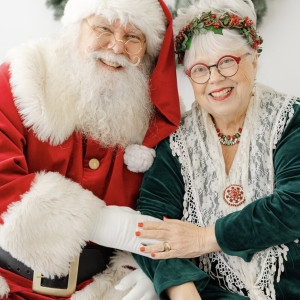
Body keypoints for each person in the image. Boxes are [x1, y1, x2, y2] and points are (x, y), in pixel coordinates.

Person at [0, 0, 181, 299]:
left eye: (133, 37)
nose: (116, 46)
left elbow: (172, 208)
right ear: (77, 27)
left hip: (103, 289)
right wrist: (103, 223)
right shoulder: (22, 77)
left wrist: (152, 268)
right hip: (9, 282)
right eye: (104, 28)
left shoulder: (157, 117)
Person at [133, 0, 300, 299]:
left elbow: (294, 205)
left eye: (227, 62)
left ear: (253, 61)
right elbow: (152, 223)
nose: (214, 78)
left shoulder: (291, 118)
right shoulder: (176, 139)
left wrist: (204, 238)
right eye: (199, 69)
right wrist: (182, 289)